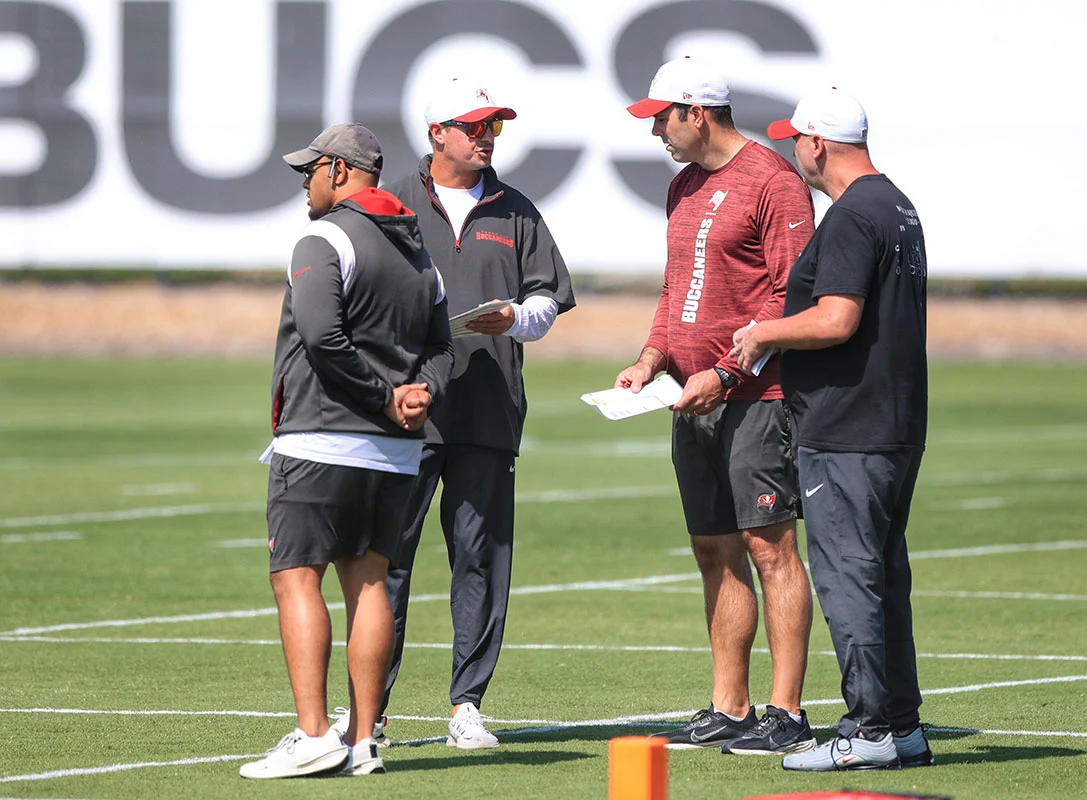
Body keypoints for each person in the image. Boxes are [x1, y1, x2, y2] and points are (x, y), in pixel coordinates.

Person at [341, 76, 575, 750]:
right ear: (436, 131)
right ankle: (368, 711)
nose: (486, 137)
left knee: (480, 559)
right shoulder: (391, 202)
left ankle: (466, 705)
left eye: (493, 125)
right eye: (473, 126)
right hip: (405, 410)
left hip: (488, 410)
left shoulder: (517, 207)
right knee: (385, 561)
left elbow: (548, 299)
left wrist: (518, 317)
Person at [239, 122, 453, 779]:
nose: (304, 183)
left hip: (321, 437)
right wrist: (419, 394)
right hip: (392, 453)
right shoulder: (420, 252)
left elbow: (322, 338)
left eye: (309, 171)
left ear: (338, 169)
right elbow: (445, 346)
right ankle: (363, 742)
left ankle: (313, 735)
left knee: (295, 576)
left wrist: (386, 395)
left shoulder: (323, 236)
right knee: (369, 586)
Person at [617, 56, 817, 756]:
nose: (658, 133)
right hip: (689, 396)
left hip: (756, 396)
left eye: (663, 118)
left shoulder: (774, 181)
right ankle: (729, 706)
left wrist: (730, 373)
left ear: (697, 113)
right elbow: (677, 291)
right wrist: (652, 358)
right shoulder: (683, 184)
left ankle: (785, 711)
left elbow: (793, 297)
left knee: (771, 548)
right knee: (713, 549)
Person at [733, 87, 933, 771]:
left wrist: (764, 331)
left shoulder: (852, 214)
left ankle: (869, 729)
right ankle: (900, 725)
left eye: (798, 140)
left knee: (848, 577)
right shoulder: (897, 204)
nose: (795, 152)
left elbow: (836, 318)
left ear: (817, 143)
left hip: (850, 427)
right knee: (882, 577)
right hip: (894, 422)